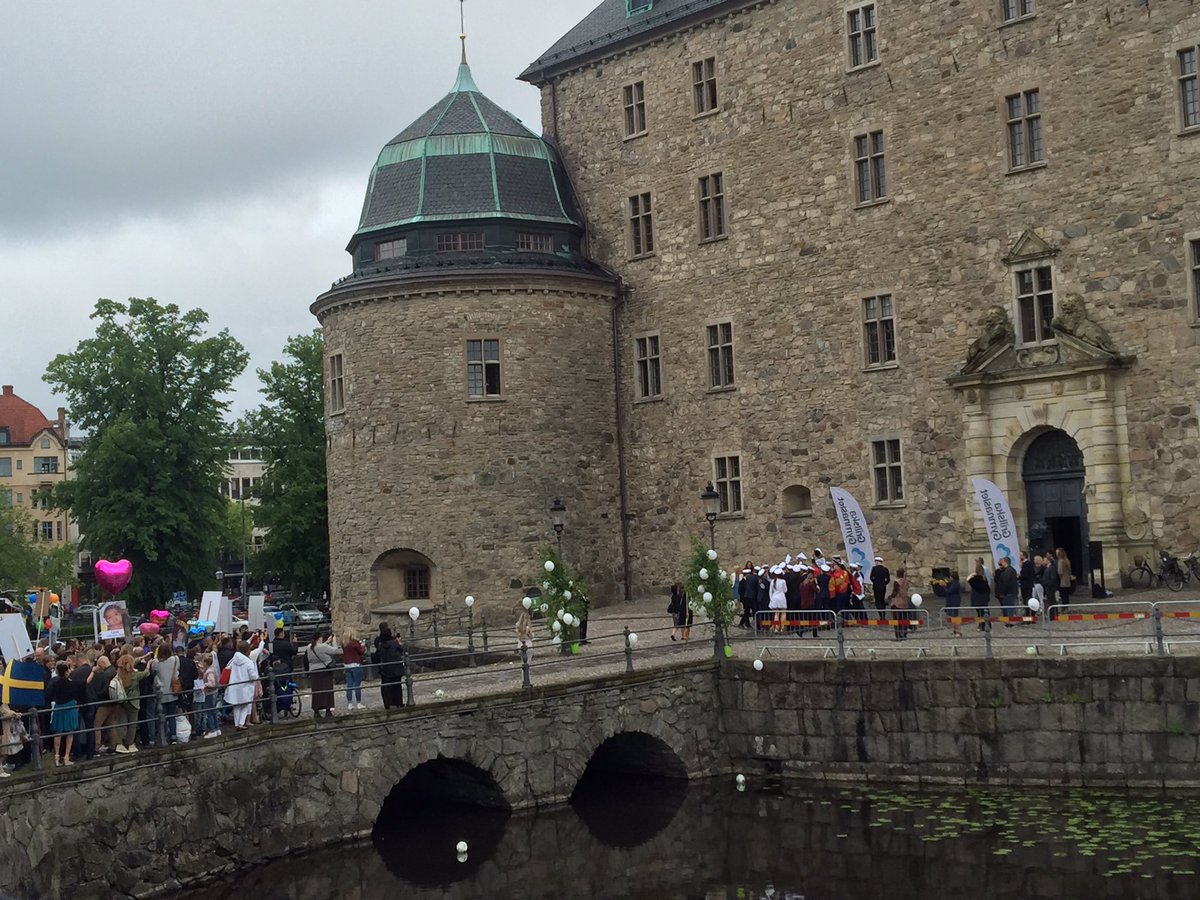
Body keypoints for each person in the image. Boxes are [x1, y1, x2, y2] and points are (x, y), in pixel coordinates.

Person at [113, 653, 152, 753]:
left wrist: (142, 657)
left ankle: (119, 743)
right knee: (132, 723)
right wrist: (148, 664)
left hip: (123, 700)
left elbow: (129, 662)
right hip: (133, 701)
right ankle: (130, 743)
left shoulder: (119, 674)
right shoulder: (135, 675)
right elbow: (146, 673)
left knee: (122, 722)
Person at [47, 661, 81, 766]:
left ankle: (56, 757)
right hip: (70, 707)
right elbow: (79, 691)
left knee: (58, 732)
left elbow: (49, 695)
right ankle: (66, 757)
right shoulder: (71, 683)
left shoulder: (54, 682)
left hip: (59, 706)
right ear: (66, 672)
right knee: (70, 732)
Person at [223, 641, 259, 730]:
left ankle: (237, 723)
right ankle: (241, 723)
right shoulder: (248, 662)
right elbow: (253, 675)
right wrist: (256, 677)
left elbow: (228, 669)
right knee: (245, 705)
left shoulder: (234, 660)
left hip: (234, 685)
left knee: (236, 706)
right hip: (245, 686)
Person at [152, 644, 181, 743]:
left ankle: (163, 736)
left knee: (162, 715)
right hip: (172, 691)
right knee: (172, 715)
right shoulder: (175, 659)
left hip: (161, 692)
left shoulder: (156, 662)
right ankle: (173, 736)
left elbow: (153, 670)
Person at [305, 632, 338, 719]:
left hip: (314, 671)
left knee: (316, 691)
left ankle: (316, 711)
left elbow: (319, 648)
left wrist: (327, 642)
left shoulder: (309, 647)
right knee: (327, 690)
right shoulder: (323, 647)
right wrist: (334, 641)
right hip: (325, 671)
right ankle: (328, 710)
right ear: (319, 638)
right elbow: (334, 650)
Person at [375, 623, 406, 710]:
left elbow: (378, 655)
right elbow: (401, 650)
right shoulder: (394, 643)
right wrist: (399, 642)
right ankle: (398, 702)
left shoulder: (380, 643)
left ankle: (387, 703)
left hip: (386, 669)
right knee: (396, 686)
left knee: (386, 687)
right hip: (396, 668)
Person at [342, 629, 366, 710]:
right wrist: (363, 645)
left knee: (349, 685)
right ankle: (358, 703)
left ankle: (349, 704)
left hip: (347, 665)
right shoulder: (354, 643)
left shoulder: (344, 643)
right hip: (356, 664)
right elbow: (361, 652)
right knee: (357, 685)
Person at [994, 556, 1019, 624]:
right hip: (1010, 592)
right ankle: (1009, 621)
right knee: (1008, 607)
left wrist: (1002, 593)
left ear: (1005, 562)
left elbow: (1005, 583)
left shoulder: (1008, 571)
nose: (1001, 563)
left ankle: (1010, 621)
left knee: (1009, 608)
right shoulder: (1009, 570)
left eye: (1002, 562)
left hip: (1009, 593)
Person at [888, 567, 911, 639]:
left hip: (897, 603)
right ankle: (904, 634)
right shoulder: (906, 581)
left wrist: (890, 597)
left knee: (897, 620)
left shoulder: (897, 582)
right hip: (904, 602)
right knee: (904, 619)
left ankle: (898, 635)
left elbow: (895, 592)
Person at [968, 560, 991, 631]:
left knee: (980, 613)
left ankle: (981, 626)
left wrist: (972, 575)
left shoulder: (975, 579)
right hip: (983, 599)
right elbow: (988, 589)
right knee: (985, 613)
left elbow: (968, 580)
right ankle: (987, 625)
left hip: (977, 599)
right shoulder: (984, 579)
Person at [768, 568, 788, 632]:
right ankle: (782, 627)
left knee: (776, 614)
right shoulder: (783, 581)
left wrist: (771, 599)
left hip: (774, 598)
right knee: (783, 613)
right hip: (782, 598)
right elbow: (785, 590)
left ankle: (776, 628)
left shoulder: (772, 581)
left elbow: (770, 591)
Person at [944, 570, 963, 637]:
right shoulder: (952, 583)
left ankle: (958, 631)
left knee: (955, 617)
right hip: (951, 602)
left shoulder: (955, 584)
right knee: (953, 617)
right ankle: (955, 630)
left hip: (954, 602)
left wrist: (944, 586)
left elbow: (949, 591)